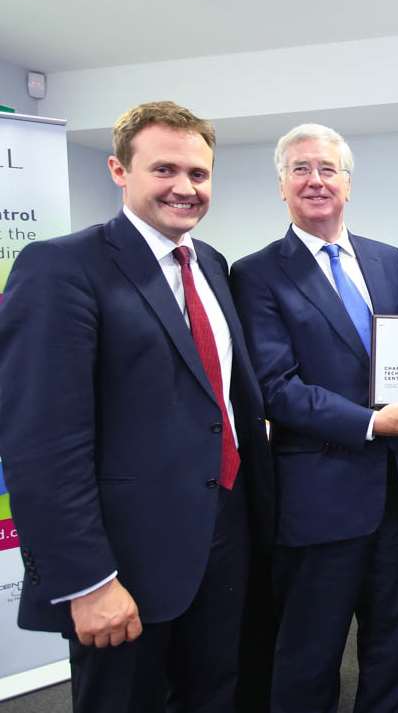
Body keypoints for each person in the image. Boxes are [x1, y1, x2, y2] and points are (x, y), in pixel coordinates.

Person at [0, 101, 274, 713]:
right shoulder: (62, 267)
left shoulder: (211, 265)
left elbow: (218, 401)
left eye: (199, 174)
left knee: (216, 696)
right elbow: (40, 442)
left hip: (225, 534)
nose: (184, 187)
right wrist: (87, 581)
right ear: (119, 172)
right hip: (124, 561)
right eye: (164, 170)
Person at [230, 123, 398, 713]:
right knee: (308, 654)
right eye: (301, 169)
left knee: (392, 646)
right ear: (282, 186)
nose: (316, 180)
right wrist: (373, 424)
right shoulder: (255, 274)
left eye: (328, 169)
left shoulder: (387, 260)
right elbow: (276, 390)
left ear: (348, 184)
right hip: (318, 499)